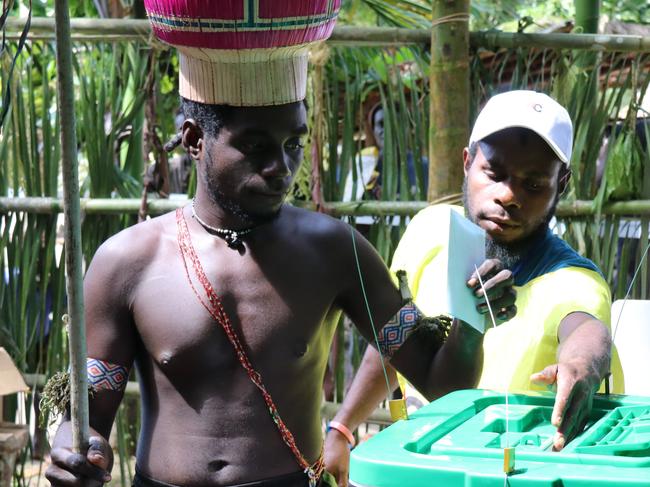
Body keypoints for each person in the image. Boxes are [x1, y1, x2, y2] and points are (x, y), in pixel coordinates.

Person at [44, 3, 515, 487]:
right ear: (193, 139)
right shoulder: (127, 262)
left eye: (293, 144)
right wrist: (72, 451)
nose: (281, 169)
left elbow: (442, 383)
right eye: (255, 147)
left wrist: (473, 320)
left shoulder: (333, 251)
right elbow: (86, 420)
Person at [324, 90, 625, 486]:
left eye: (533, 185)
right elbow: (394, 338)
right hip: (416, 469)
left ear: (561, 184)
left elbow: (586, 332)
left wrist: (581, 367)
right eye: (494, 174)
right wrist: (343, 429)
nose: (508, 196)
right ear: (467, 163)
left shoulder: (573, 282)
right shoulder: (429, 230)